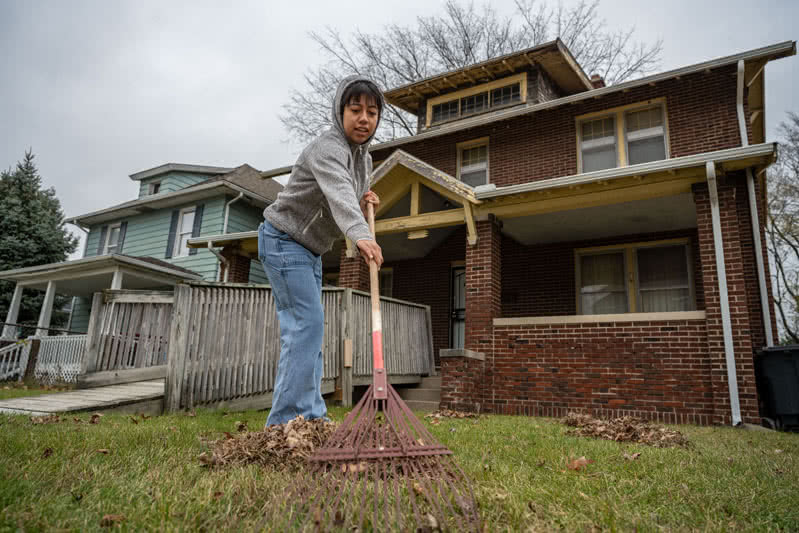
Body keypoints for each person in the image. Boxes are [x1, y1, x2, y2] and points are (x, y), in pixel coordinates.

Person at [258, 75, 384, 426]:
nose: (364, 118)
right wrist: (359, 231)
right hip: (283, 239)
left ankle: (309, 415)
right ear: (339, 111)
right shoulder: (327, 147)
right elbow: (338, 191)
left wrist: (363, 201)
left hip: (308, 250)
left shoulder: (364, 159)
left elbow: (345, 195)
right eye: (355, 109)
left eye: (372, 112)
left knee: (311, 331)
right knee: (304, 328)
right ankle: (283, 423)